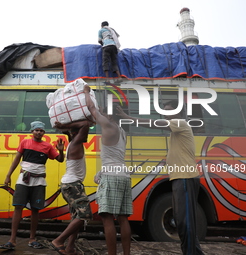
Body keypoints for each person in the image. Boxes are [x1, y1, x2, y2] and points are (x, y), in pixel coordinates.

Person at [116, 100, 204, 255]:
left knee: (185, 221)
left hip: (185, 177)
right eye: (164, 111)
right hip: (180, 177)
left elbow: (154, 124)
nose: (165, 113)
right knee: (182, 220)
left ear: (176, 112)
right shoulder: (177, 129)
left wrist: (128, 117)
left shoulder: (180, 123)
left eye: (168, 110)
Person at [0, 121, 65, 250]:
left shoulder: (48, 146)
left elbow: (60, 160)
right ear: (32, 131)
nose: (39, 132)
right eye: (36, 130)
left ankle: (32, 239)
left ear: (44, 133)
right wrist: (8, 175)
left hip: (39, 181)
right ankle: (12, 240)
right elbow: (17, 159)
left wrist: (61, 151)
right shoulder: (24, 143)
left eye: (41, 130)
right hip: (23, 180)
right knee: (18, 207)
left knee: (35, 210)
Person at [84, 85, 132, 255]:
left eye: (105, 112)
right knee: (123, 218)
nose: (102, 113)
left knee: (107, 218)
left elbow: (91, 109)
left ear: (110, 115)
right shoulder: (122, 131)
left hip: (111, 177)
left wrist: (86, 92)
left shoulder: (108, 127)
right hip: (123, 176)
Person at [51, 120, 93, 255]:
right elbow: (86, 124)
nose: (86, 134)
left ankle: (70, 248)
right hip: (72, 185)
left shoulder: (72, 142)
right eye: (82, 133)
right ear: (77, 133)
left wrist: (66, 128)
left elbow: (81, 128)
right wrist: (65, 126)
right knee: (84, 214)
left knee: (76, 217)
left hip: (72, 185)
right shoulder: (75, 143)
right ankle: (59, 240)